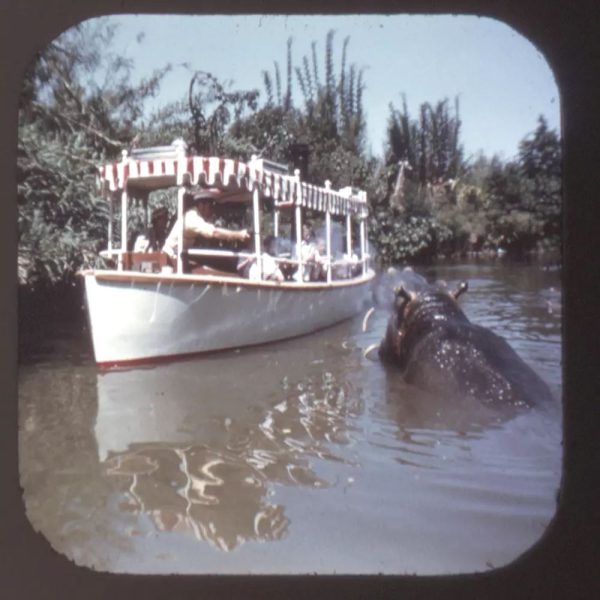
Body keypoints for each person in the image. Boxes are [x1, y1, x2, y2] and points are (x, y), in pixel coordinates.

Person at [162, 190, 250, 272]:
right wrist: (239, 235)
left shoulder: (198, 216)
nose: (213, 210)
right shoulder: (192, 218)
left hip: (181, 255)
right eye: (211, 206)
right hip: (171, 259)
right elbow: (214, 232)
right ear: (202, 205)